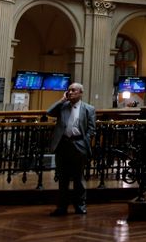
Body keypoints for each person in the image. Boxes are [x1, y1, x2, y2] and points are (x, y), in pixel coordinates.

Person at [47, 83, 96, 216]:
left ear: (81, 93)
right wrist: (62, 100)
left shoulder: (89, 109)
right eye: (69, 90)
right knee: (63, 178)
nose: (70, 92)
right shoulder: (63, 106)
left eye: (73, 90)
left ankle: (80, 205)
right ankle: (62, 207)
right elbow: (49, 112)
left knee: (78, 178)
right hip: (62, 145)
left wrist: (84, 141)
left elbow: (92, 129)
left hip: (78, 144)